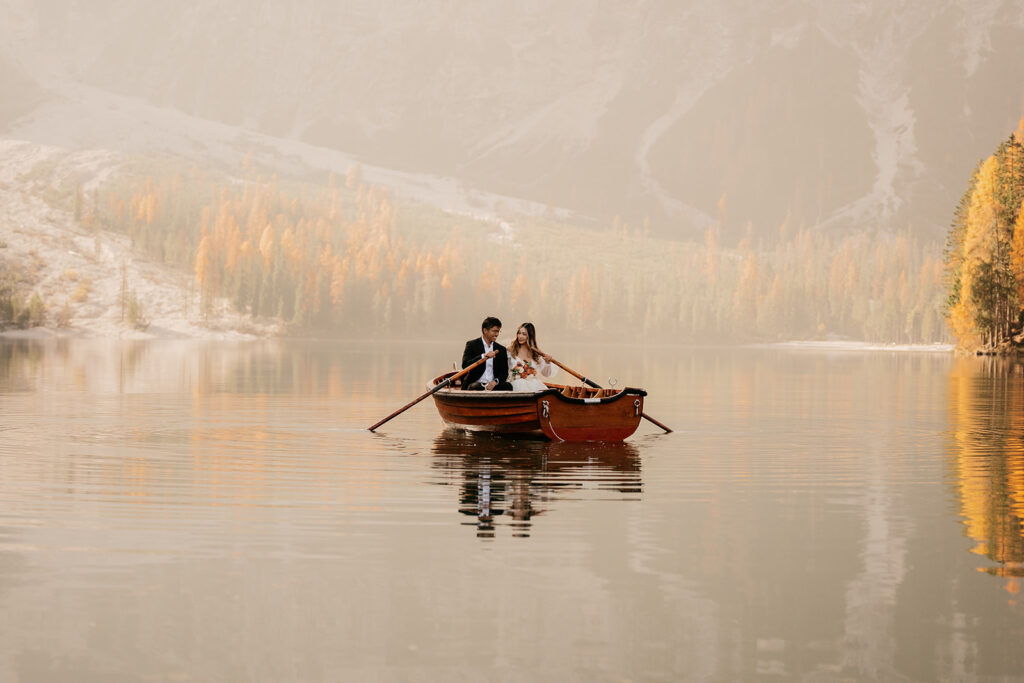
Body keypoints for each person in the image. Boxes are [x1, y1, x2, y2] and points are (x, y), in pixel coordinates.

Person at [460, 316, 512, 391]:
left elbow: (504, 373)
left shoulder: (501, 349)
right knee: (475, 387)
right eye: (494, 331)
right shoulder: (471, 345)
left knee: (508, 386)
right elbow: (465, 365)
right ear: (485, 330)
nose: (497, 334)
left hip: (493, 386)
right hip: (476, 384)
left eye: (498, 331)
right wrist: (483, 356)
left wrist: (495, 382)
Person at [507, 322, 556, 392]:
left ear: (530, 336)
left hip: (534, 384)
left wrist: (547, 362)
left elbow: (546, 374)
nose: (520, 336)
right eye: (519, 333)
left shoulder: (536, 353)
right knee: (521, 383)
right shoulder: (510, 350)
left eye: (524, 334)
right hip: (516, 384)